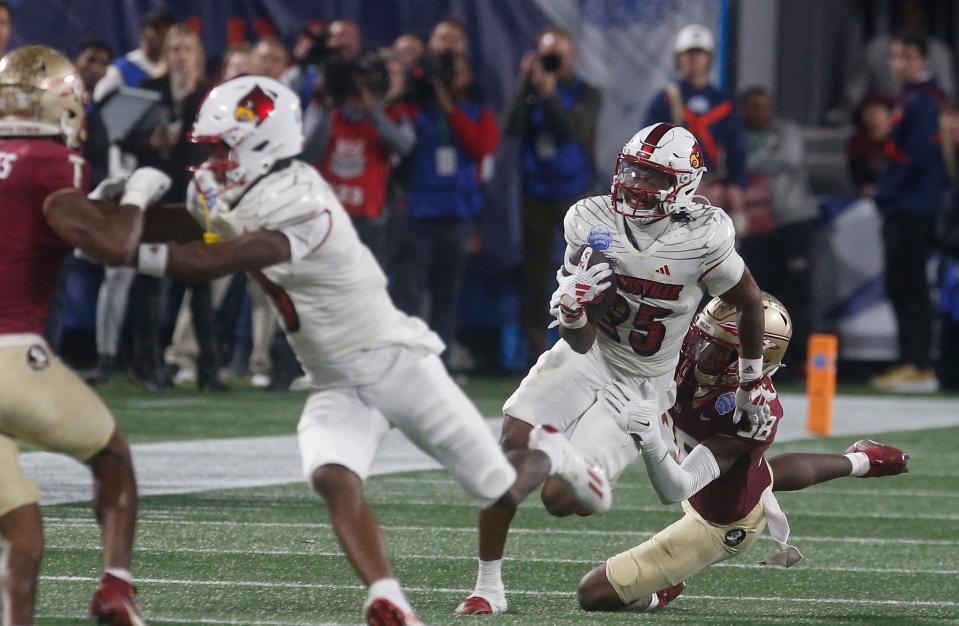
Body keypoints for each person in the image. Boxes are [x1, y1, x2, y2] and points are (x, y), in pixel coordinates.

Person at [44, 75, 609, 626]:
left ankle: (553, 451)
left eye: (223, 146)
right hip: (334, 379)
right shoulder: (229, 189)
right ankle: (388, 600)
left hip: (396, 363)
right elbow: (188, 228)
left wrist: (126, 245)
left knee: (498, 487)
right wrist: (117, 216)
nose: (213, 159)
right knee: (332, 475)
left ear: (262, 143)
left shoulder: (305, 199)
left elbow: (218, 258)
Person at [456, 122, 767, 615]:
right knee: (511, 443)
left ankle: (579, 473)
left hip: (643, 385)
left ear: (684, 184)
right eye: (632, 170)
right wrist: (574, 313)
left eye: (653, 176)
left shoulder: (704, 237)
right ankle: (487, 586)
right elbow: (580, 341)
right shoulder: (591, 220)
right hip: (591, 356)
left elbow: (749, 304)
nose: (637, 184)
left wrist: (750, 380)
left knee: (559, 500)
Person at [576, 294, 910, 612]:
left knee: (593, 594)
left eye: (715, 351)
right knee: (757, 472)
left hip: (720, 523)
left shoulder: (751, 413)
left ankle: (664, 589)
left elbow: (677, 487)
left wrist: (648, 438)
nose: (696, 354)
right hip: (700, 468)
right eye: (699, 340)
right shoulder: (688, 364)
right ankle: (863, 460)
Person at [0, 45, 148, 626]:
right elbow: (110, 247)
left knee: (24, 532)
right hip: (11, 355)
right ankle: (116, 584)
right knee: (111, 455)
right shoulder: (53, 162)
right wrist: (132, 198)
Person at [391, 18, 500, 357]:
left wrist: (449, 103)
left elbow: (480, 146)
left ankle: (441, 362)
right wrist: (406, 88)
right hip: (418, 208)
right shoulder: (412, 98)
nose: (448, 50)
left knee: (447, 293)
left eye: (456, 42)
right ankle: (406, 358)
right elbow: (395, 140)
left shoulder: (476, 102)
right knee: (409, 291)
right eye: (442, 40)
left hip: (458, 211)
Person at [86, 5, 175, 386]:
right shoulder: (121, 71)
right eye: (160, 31)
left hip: (160, 180)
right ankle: (106, 358)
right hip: (123, 179)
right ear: (146, 32)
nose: (166, 40)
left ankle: (146, 360)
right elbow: (101, 128)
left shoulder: (175, 76)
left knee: (155, 270)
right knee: (117, 273)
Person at [136, 24, 227, 391]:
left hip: (196, 198)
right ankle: (150, 366)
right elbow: (127, 139)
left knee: (200, 282)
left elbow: (217, 144)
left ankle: (209, 371)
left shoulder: (208, 95)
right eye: (174, 49)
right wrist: (150, 142)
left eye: (187, 49)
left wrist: (191, 98)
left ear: (198, 54)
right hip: (158, 197)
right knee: (151, 282)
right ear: (165, 54)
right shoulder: (148, 91)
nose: (180, 55)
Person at [502, 26, 602, 361]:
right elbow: (510, 127)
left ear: (571, 55)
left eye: (557, 52)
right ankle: (535, 352)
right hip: (536, 194)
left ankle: (583, 350)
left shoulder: (588, 91)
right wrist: (523, 82)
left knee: (581, 270)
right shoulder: (529, 90)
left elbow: (574, 130)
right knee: (534, 274)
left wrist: (549, 96)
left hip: (574, 194)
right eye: (546, 52)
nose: (552, 59)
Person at [870, 32, 945, 393]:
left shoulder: (923, 102)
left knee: (910, 284)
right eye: (895, 56)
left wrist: (885, 192)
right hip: (908, 204)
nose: (899, 63)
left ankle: (918, 364)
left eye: (907, 56)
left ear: (922, 61)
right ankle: (910, 361)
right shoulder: (914, 99)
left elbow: (913, 159)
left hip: (913, 206)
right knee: (902, 284)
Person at [302, 48, 416, 265]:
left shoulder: (391, 114)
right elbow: (308, 154)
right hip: (326, 215)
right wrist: (326, 101)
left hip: (369, 218)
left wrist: (373, 110)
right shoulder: (326, 109)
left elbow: (404, 146)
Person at [739, 86, 818, 379]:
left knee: (797, 294)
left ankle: (801, 362)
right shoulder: (738, 133)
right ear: (743, 110)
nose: (760, 110)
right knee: (760, 297)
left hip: (792, 221)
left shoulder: (787, 131)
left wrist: (742, 164)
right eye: (753, 105)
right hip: (757, 225)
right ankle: (767, 362)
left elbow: (789, 160)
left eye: (765, 104)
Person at [644, 24, 746, 230]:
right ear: (678, 58)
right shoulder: (665, 99)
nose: (693, 59)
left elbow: (737, 148)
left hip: (716, 185)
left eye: (699, 53)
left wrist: (736, 184)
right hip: (673, 188)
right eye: (688, 54)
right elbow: (648, 148)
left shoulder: (722, 102)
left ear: (709, 58)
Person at [847, 93, 895, 197]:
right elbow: (860, 181)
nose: (872, 116)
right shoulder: (858, 143)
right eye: (868, 111)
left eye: (877, 112)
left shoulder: (903, 139)